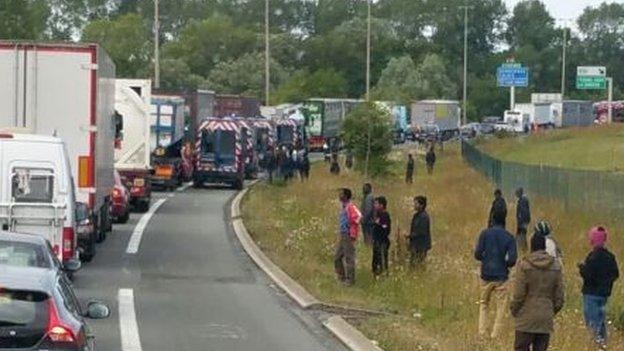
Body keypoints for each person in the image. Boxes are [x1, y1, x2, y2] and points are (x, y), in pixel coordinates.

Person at [510, 235, 565, 351]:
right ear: (544, 247)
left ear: (532, 246)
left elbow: (519, 295)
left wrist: (514, 310)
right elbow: (559, 297)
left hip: (525, 318)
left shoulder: (524, 265)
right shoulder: (556, 266)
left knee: (521, 347)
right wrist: (551, 310)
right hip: (545, 318)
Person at [474, 208, 517, 339]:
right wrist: (505, 264)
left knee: (484, 303)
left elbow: (477, 254)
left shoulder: (485, 234)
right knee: (501, 307)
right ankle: (495, 335)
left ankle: (482, 333)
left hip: (486, 274)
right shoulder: (509, 237)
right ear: (505, 219)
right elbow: (512, 260)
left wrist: (486, 259)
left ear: (492, 219)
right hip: (501, 277)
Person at [578, 226, 619, 348]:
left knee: (592, 323)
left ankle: (595, 346)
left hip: (591, 294)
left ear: (593, 240)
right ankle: (603, 345)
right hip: (604, 295)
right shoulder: (610, 257)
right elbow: (615, 274)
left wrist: (582, 269)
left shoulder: (592, 257)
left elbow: (588, 275)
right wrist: (606, 282)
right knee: (601, 323)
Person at [334, 188, 361, 286]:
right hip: (343, 234)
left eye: (341, 194)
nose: (339, 196)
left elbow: (358, 216)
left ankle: (350, 280)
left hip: (348, 235)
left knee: (349, 257)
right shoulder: (343, 207)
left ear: (346, 196)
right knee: (337, 257)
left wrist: (351, 226)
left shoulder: (350, 206)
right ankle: (341, 277)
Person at [409, 196, 431, 267]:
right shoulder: (416, 215)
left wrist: (409, 236)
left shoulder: (424, 217)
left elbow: (421, 232)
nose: (414, 205)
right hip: (415, 245)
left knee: (419, 265)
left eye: (416, 203)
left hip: (421, 246)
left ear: (421, 205)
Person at [372, 196, 391, 276]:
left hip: (382, 242)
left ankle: (383, 275)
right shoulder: (378, 214)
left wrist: (378, 224)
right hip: (377, 241)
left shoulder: (385, 215)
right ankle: (376, 274)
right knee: (375, 260)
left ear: (381, 205)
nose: (374, 205)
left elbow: (386, 228)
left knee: (382, 260)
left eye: (376, 203)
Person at [516, 187, 531, 253]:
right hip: (522, 222)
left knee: (521, 236)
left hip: (522, 222)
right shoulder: (522, 200)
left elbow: (524, 212)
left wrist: (522, 222)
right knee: (522, 236)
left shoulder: (523, 201)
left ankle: (523, 250)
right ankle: (524, 250)